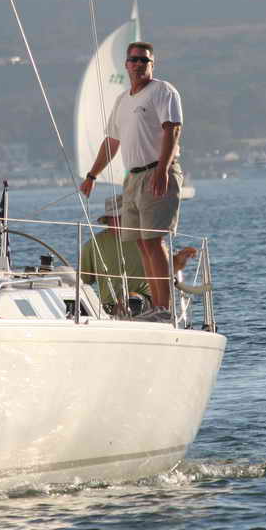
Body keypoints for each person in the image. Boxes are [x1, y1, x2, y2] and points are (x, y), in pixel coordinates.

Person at [79, 41, 184, 322]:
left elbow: (173, 129)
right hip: (133, 178)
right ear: (126, 65)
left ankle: (164, 308)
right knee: (141, 244)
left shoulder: (162, 91)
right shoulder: (122, 100)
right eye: (133, 60)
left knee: (153, 241)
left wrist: (162, 169)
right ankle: (156, 306)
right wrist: (92, 175)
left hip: (156, 172)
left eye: (143, 60)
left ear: (152, 64)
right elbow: (111, 142)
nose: (138, 64)